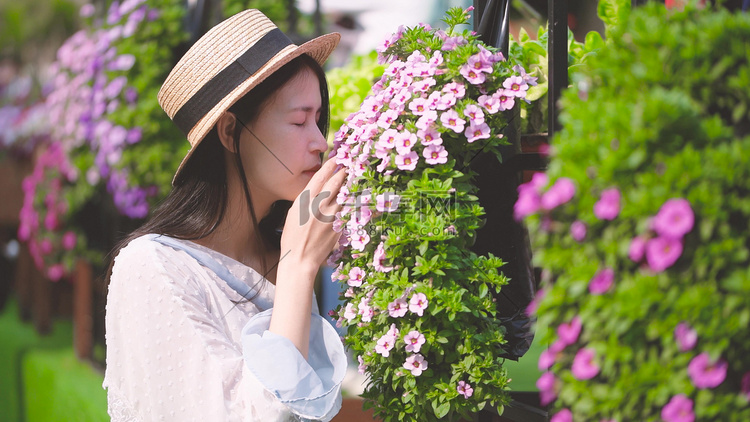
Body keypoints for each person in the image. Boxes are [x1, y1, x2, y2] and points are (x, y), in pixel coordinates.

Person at [102, 9, 348, 421]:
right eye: (300, 120)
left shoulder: (283, 247)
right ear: (231, 132)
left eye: (320, 120)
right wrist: (297, 266)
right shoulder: (151, 267)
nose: (320, 142)